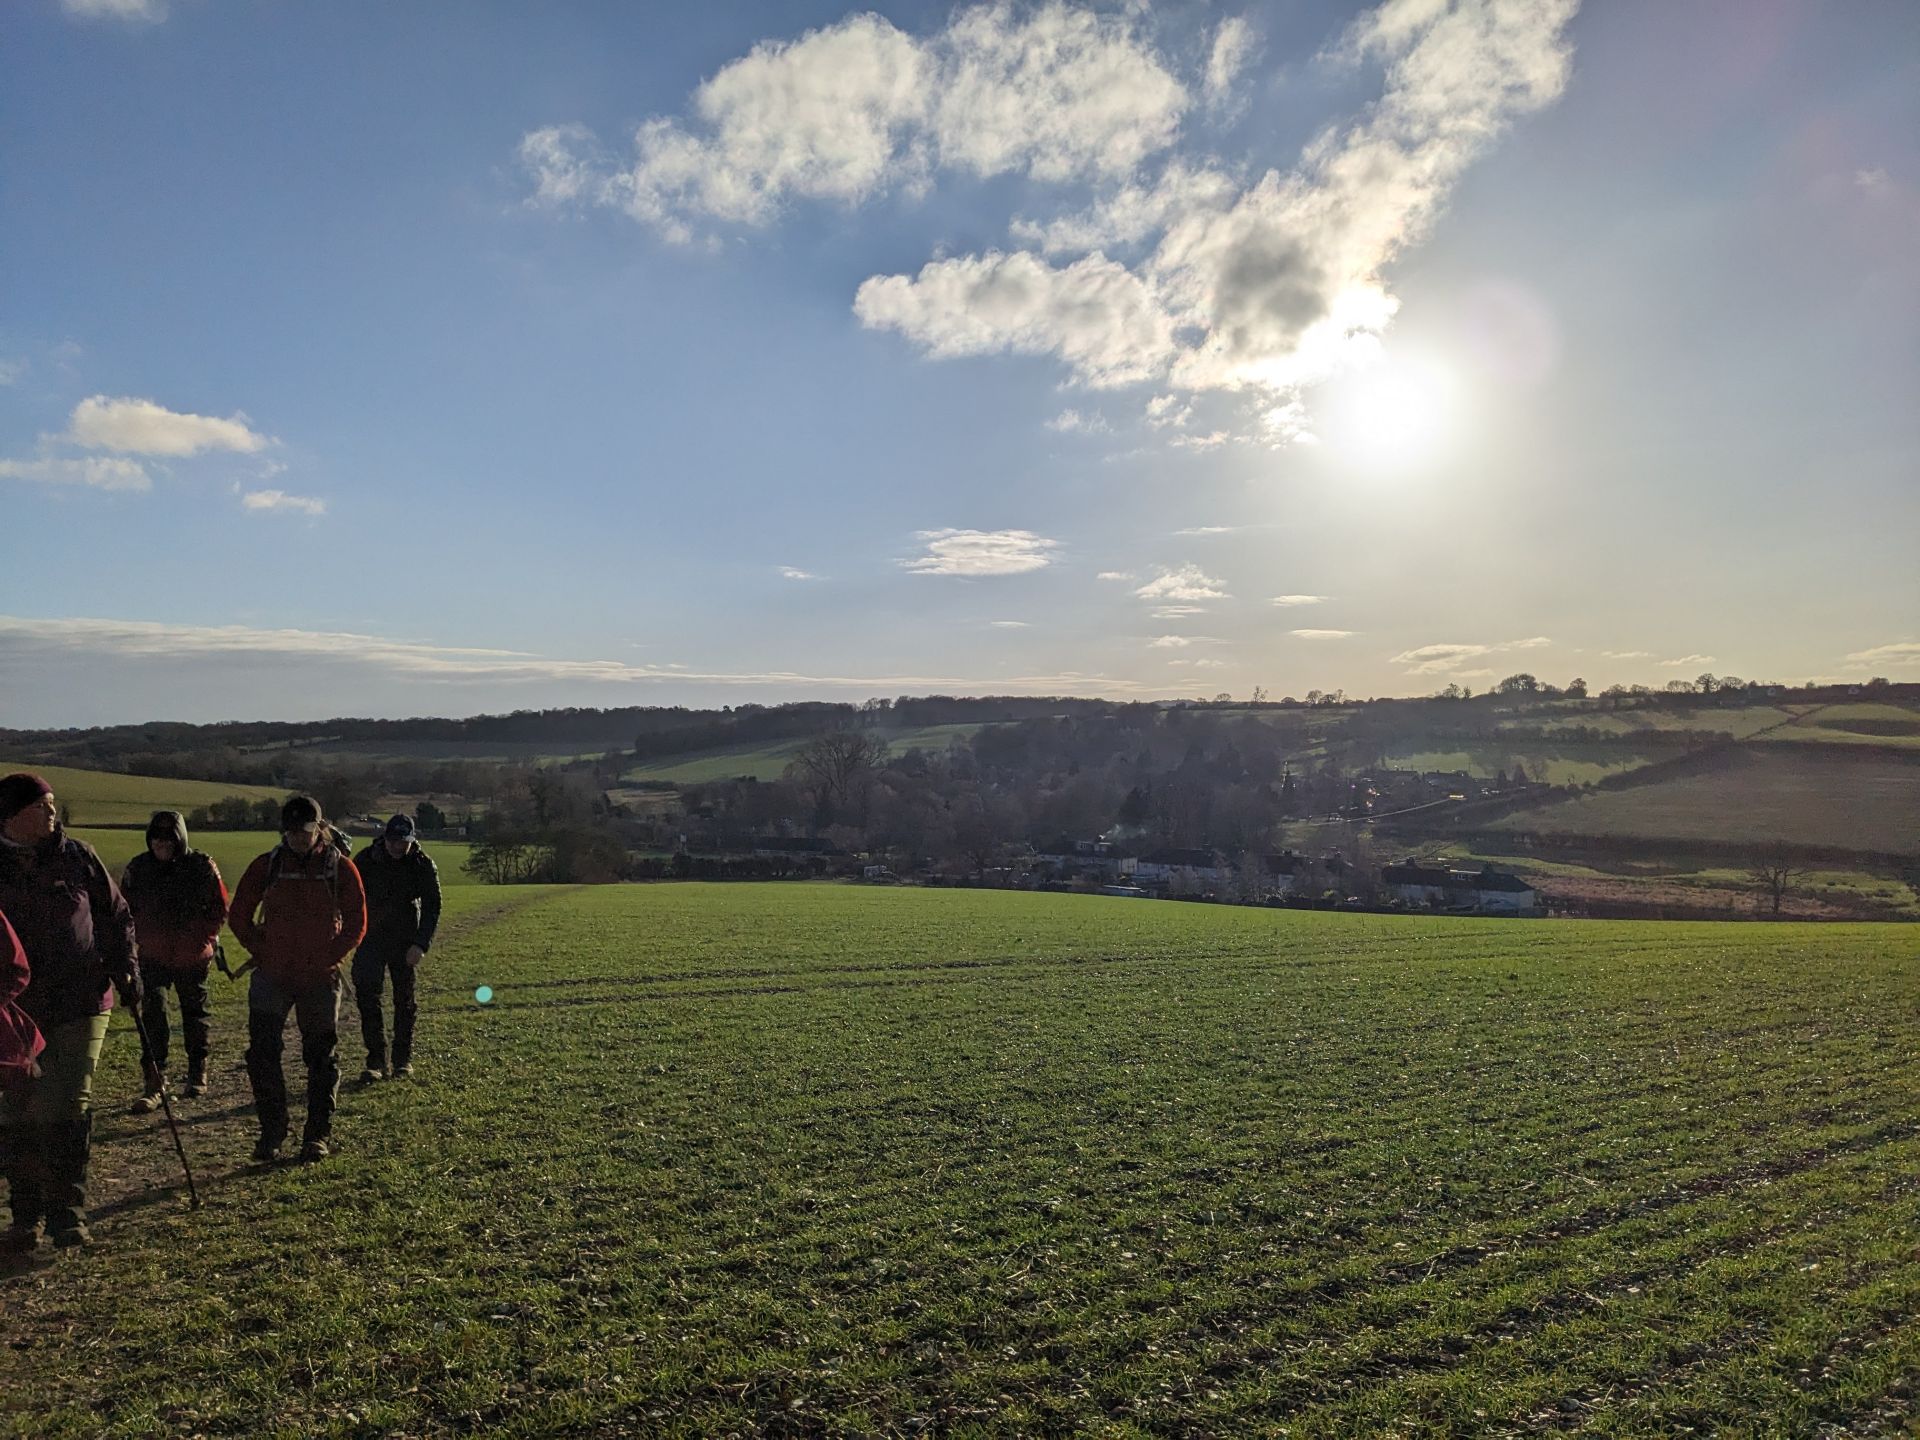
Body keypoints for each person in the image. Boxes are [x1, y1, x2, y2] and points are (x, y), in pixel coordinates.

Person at [0, 773, 140, 1250]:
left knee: (68, 1100)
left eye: (53, 805)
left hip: (83, 998)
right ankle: (25, 1214)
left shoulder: (78, 856)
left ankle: (67, 1211)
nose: (53, 813)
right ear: (13, 816)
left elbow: (116, 915)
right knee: (21, 1107)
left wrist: (128, 971)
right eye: (43, 806)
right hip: (16, 1010)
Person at [227, 796, 366, 1164]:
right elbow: (238, 915)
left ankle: (317, 1136)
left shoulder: (341, 868)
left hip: (319, 978)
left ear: (319, 829)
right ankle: (272, 1133)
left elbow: (357, 923)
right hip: (272, 976)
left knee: (321, 1058)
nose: (298, 839)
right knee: (262, 1055)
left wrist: (327, 958)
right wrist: (263, 949)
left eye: (304, 832)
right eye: (291, 832)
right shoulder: (266, 866)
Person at [118, 811, 229, 1111]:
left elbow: (220, 907)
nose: (162, 845)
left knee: (195, 1014)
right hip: (153, 954)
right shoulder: (138, 868)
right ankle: (154, 1081)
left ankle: (197, 1073)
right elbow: (123, 908)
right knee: (154, 1012)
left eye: (169, 839)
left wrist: (203, 938)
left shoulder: (202, 866)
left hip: (192, 955)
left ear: (180, 839)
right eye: (156, 839)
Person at [352, 814, 442, 1083]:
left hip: (406, 938)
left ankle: (402, 1060)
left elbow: (432, 906)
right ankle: (376, 1060)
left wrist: (420, 944)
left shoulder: (422, 864)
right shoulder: (366, 860)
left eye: (402, 842)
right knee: (368, 997)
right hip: (370, 938)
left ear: (411, 841)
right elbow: (350, 899)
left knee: (404, 1001)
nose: (396, 847)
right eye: (392, 841)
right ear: (384, 838)